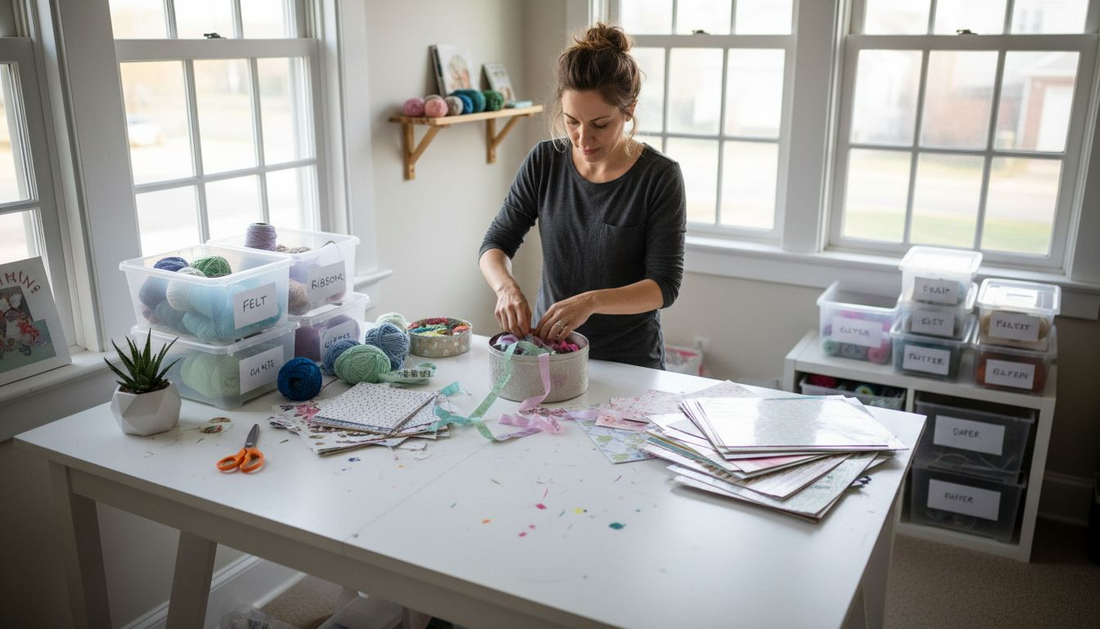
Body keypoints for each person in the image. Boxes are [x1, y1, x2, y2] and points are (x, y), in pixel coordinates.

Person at [478, 23, 686, 369]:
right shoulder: (544, 162)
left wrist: (590, 302)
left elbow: (664, 286)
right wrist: (506, 288)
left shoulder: (659, 176)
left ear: (629, 110)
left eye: (600, 124)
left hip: (630, 363)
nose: (582, 138)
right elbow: (495, 243)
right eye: (571, 121)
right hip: (552, 354)